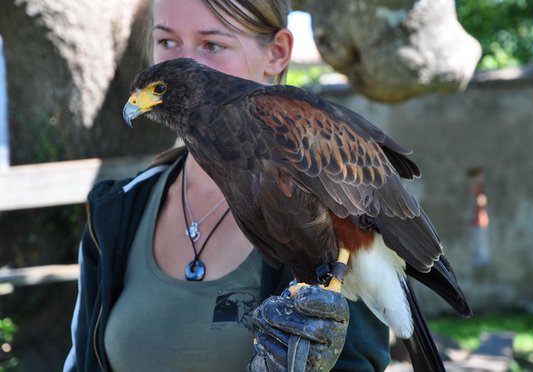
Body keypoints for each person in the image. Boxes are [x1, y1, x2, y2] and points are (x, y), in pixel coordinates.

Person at [64, 0, 391, 370]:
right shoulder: (117, 210)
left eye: (212, 44)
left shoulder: (322, 193)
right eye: (167, 42)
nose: (184, 64)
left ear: (277, 54)